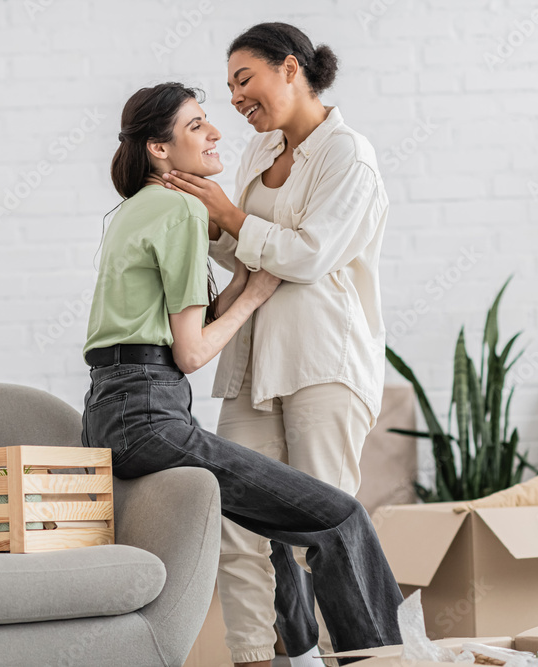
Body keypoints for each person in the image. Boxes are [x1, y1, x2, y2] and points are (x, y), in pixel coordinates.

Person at [80, 82, 402, 666]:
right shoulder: (180, 208)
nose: (215, 132)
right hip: (151, 416)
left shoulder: (134, 209)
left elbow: (183, 325)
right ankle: (383, 661)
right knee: (340, 518)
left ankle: (295, 657)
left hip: (111, 413)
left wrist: (246, 282)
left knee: (270, 530)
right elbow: (191, 353)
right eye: (197, 125)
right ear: (159, 148)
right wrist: (253, 295)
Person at [160, 23, 388, 667]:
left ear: (290, 68)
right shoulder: (262, 150)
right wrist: (203, 217)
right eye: (230, 87)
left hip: (323, 364)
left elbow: (309, 255)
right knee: (238, 528)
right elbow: (250, 257)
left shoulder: (349, 156)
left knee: (326, 529)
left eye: (244, 80)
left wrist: (230, 215)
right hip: (253, 363)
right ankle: (255, 658)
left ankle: (356, 658)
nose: (235, 99)